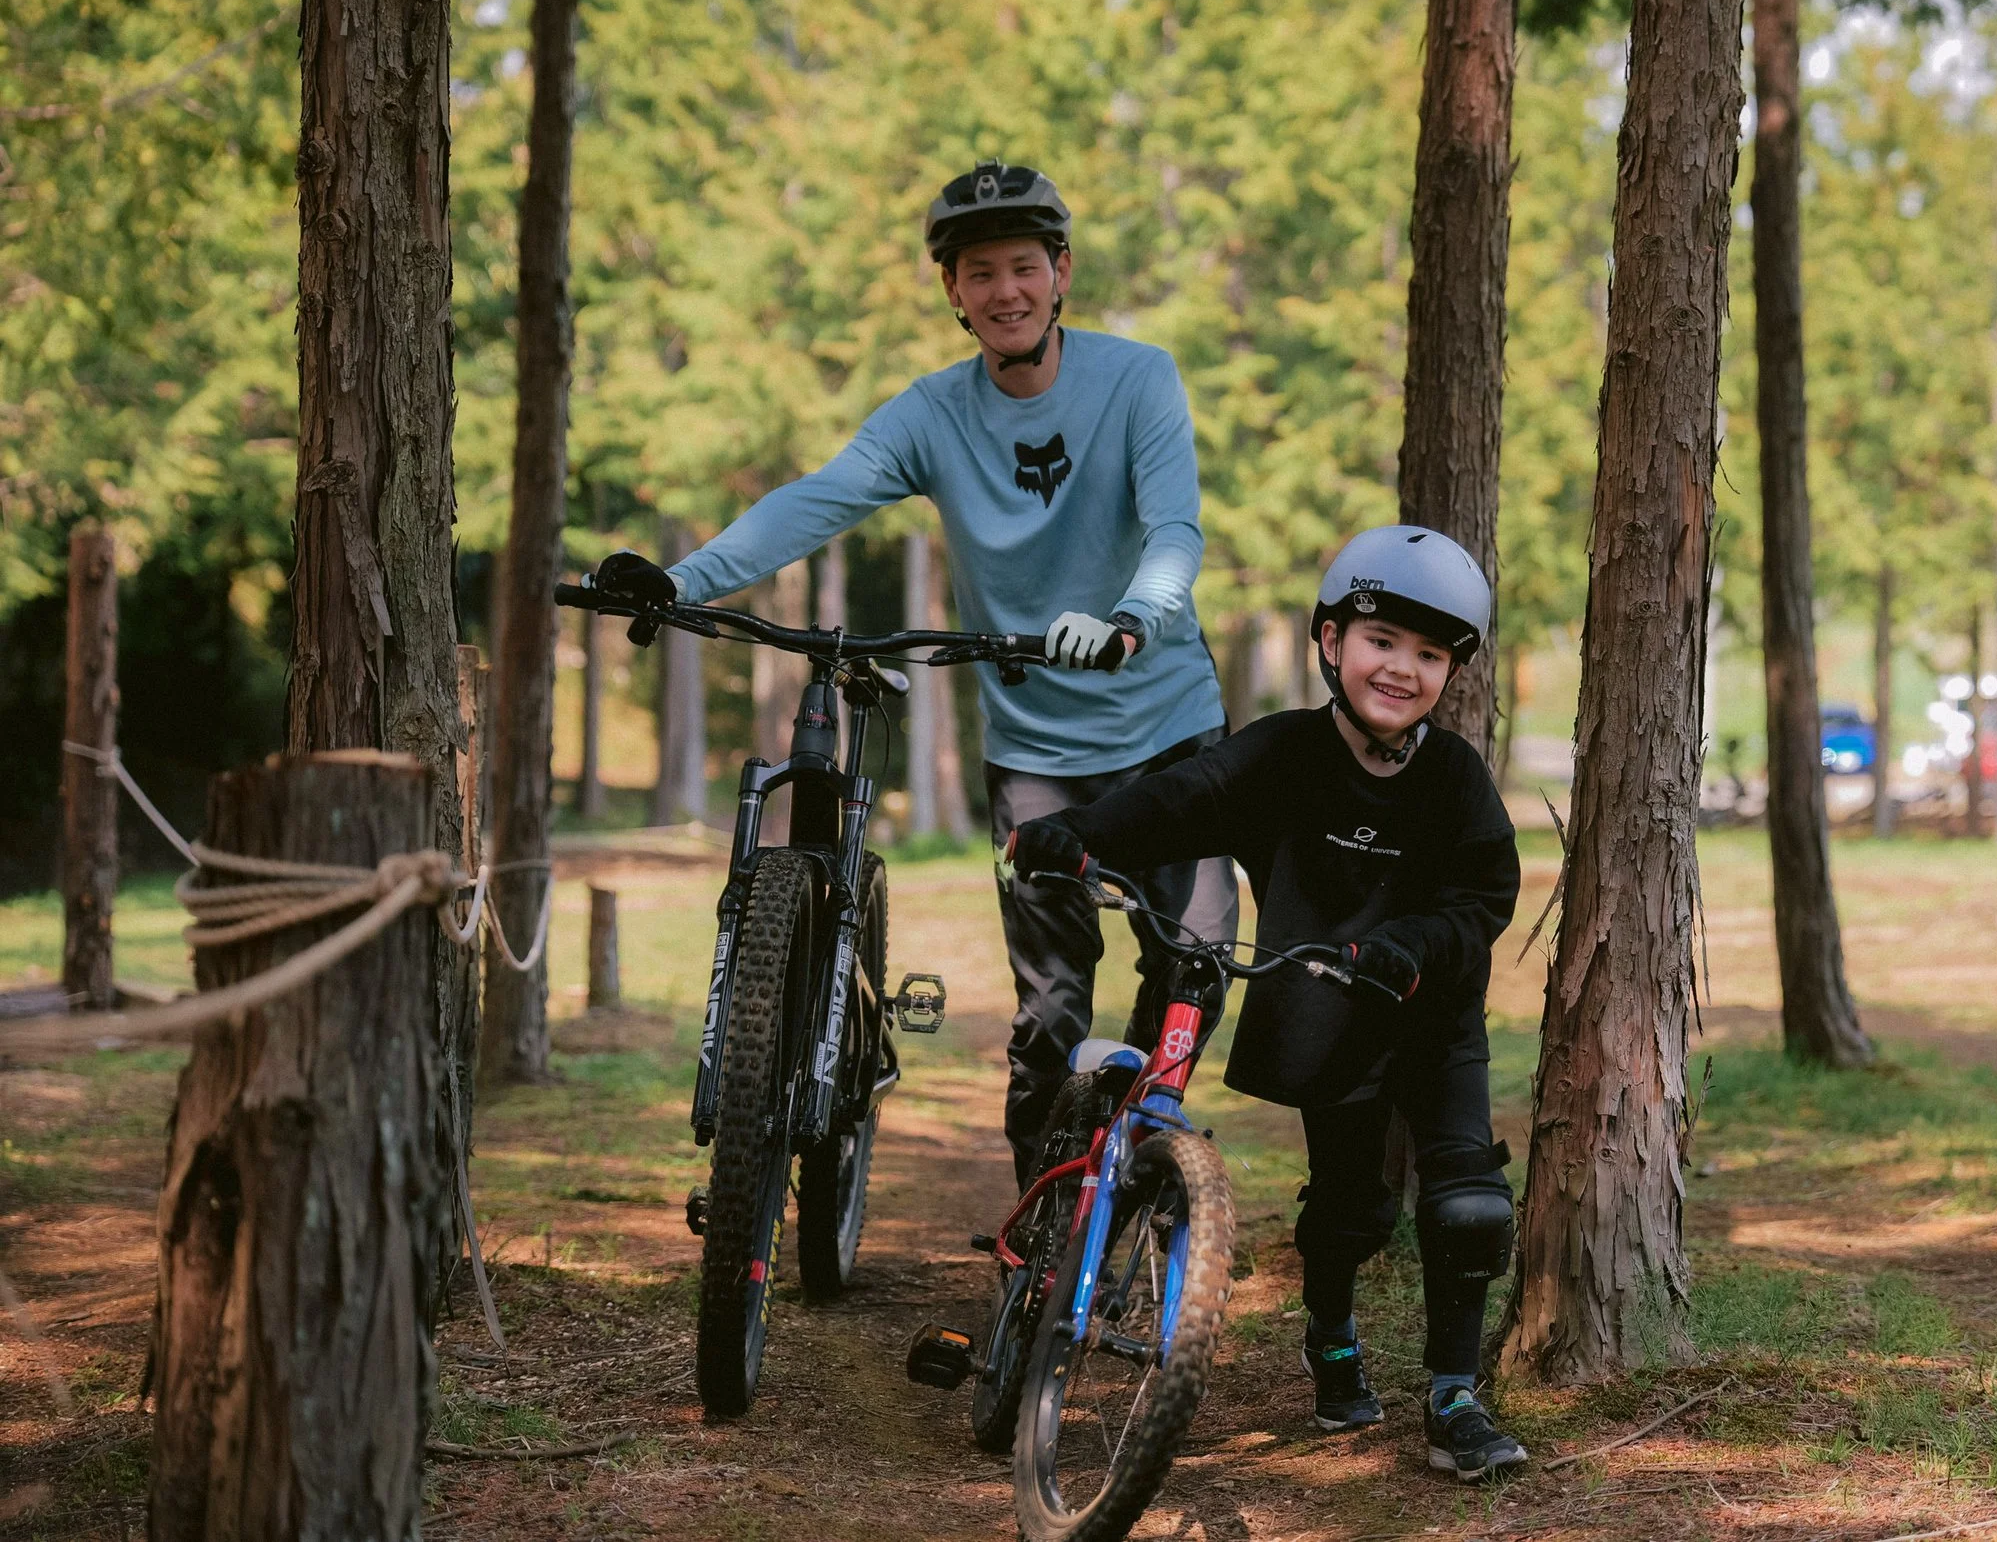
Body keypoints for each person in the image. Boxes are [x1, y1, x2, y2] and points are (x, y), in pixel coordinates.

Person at [591, 159, 1235, 1184]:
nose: (1005, 291)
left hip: (1170, 731)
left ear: (1062, 273)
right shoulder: (932, 414)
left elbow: (1174, 530)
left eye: (1024, 266)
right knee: (1051, 1010)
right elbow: (817, 497)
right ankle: (1039, 1220)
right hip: (1038, 752)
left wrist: (1130, 619)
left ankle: (1146, 1158)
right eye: (980, 273)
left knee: (1195, 958)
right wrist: (678, 579)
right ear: (953, 292)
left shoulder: (1138, 379)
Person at [1006, 525, 1529, 1483]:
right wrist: (1076, 831)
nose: (1401, 668)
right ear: (1330, 639)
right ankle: (1331, 1335)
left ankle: (1454, 1394)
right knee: (1350, 1208)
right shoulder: (1285, 752)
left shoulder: (1455, 777)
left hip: (1432, 1012)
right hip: (1332, 1014)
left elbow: (1485, 895)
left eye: (1429, 653)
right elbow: (1181, 797)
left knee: (1468, 1206)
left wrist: (1411, 947)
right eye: (1381, 640)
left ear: (1453, 671)